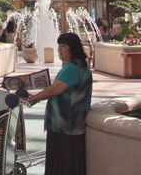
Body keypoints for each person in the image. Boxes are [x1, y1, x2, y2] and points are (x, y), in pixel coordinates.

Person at [23, 32, 92, 175]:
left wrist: (31, 99)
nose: (60, 49)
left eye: (64, 46)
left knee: (63, 165)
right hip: (72, 127)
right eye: (59, 46)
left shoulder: (72, 67)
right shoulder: (80, 65)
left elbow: (53, 90)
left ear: (73, 48)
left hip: (66, 127)